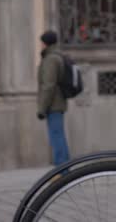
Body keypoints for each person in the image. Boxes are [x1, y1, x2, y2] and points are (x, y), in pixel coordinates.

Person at [37, 30, 71, 166]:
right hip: (58, 103)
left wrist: (42, 108)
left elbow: (49, 85)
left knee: (56, 137)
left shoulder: (51, 59)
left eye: (41, 42)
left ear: (45, 43)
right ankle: (65, 167)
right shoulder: (57, 56)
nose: (40, 45)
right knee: (59, 135)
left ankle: (62, 169)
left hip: (53, 104)